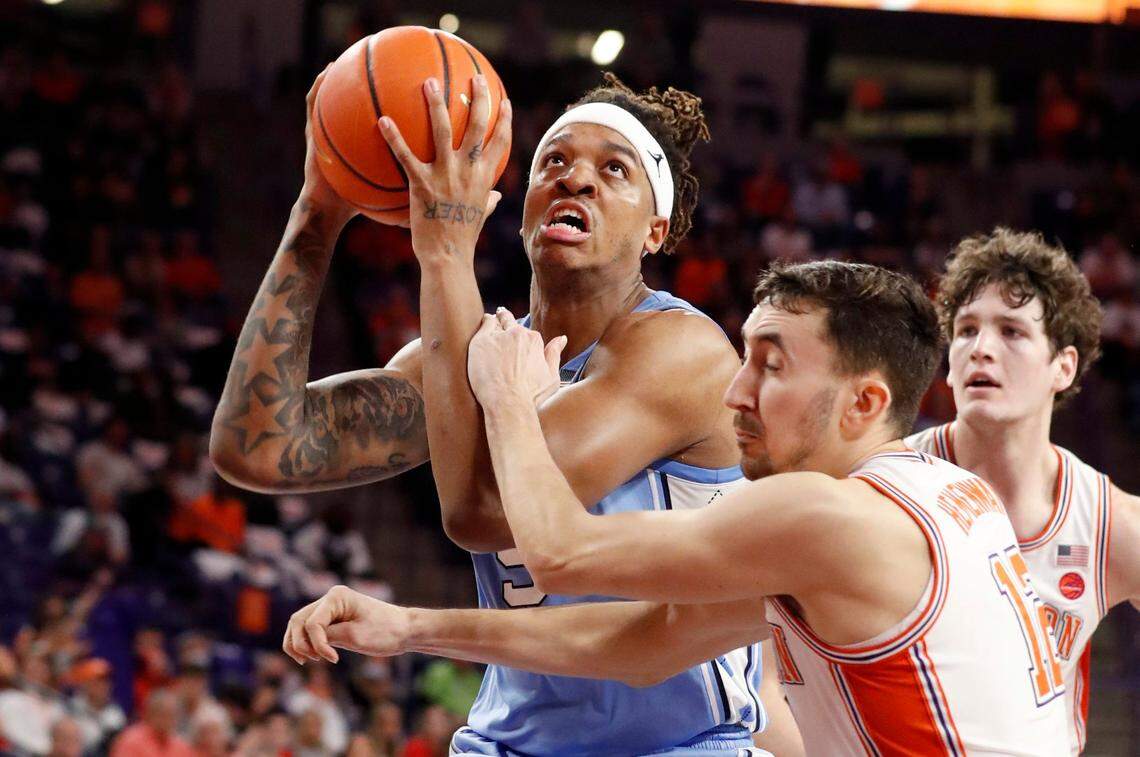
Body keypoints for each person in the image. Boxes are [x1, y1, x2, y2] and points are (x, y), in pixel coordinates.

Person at [209, 66, 795, 754]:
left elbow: (483, 511)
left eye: (614, 169)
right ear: (521, 210)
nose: (576, 180)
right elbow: (259, 446)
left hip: (675, 744)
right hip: (506, 742)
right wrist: (318, 212)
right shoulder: (477, 351)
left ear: (655, 231)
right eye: (554, 162)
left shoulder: (682, 350)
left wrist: (445, 251)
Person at [285, 261, 1074, 756]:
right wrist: (409, 627)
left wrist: (509, 400)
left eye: (770, 367)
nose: (734, 391)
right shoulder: (951, 488)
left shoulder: (826, 515)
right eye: (744, 357)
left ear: (864, 402)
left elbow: (560, 553)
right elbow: (651, 641)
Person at [905, 228, 1140, 754]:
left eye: (1011, 331)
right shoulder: (887, 484)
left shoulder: (1109, 523)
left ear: (1064, 367)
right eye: (966, 330)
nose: (981, 349)